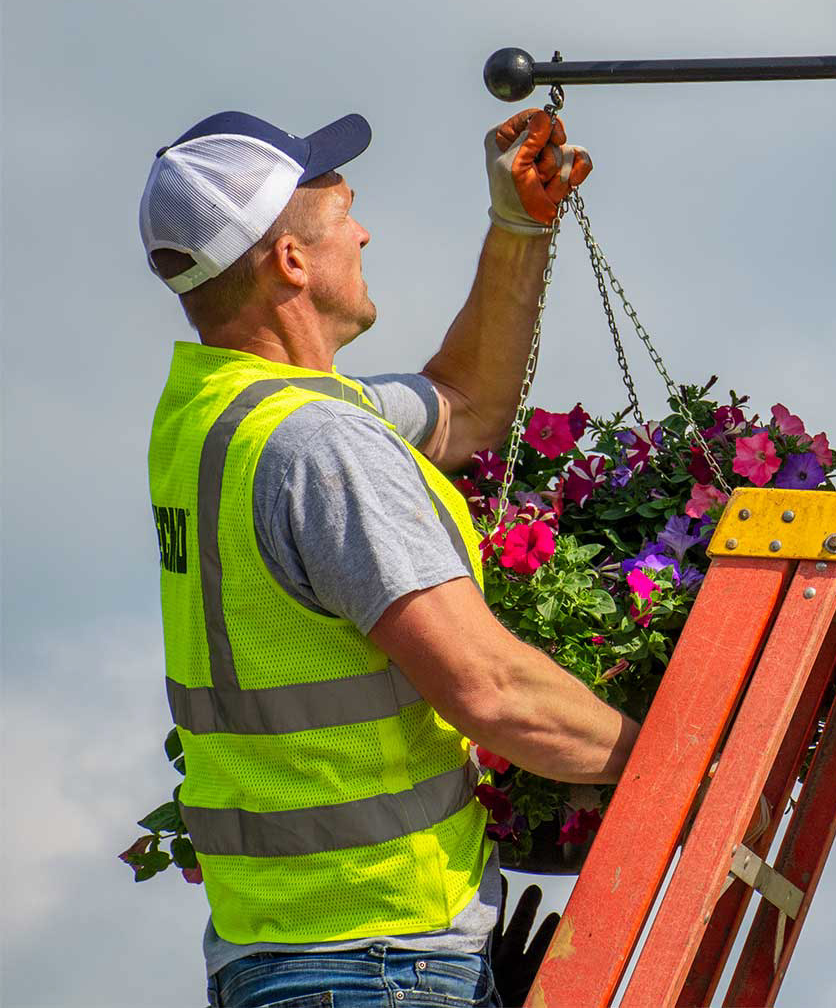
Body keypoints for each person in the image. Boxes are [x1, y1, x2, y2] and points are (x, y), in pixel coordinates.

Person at [140, 106, 640, 1007]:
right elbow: (489, 690)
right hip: (380, 962)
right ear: (291, 261)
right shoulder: (320, 447)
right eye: (342, 215)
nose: (364, 231)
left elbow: (466, 403)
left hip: (287, 956)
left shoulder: (215, 419)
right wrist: (674, 760)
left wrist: (519, 224)